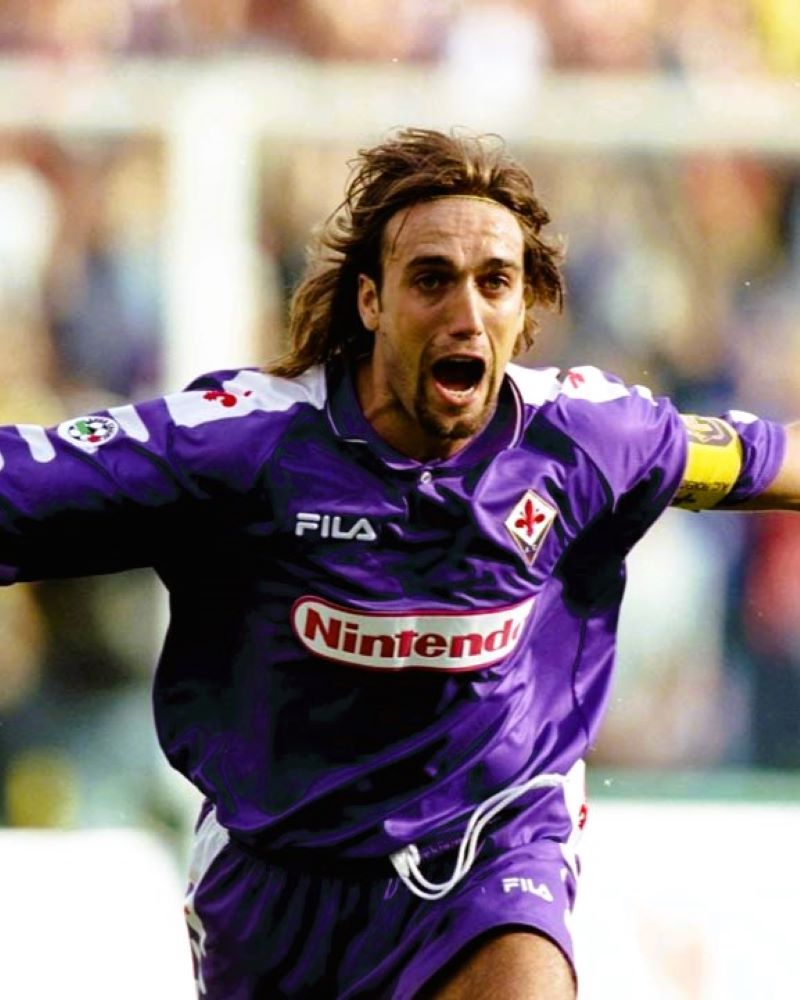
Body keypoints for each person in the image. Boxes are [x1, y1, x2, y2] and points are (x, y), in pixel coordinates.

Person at [1, 128, 798, 1000]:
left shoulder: (589, 439)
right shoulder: (242, 445)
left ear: (525, 307)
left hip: (493, 848)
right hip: (278, 878)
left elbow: (770, 461)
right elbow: (26, 482)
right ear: (371, 302)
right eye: (431, 279)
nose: (467, 311)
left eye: (494, 282)